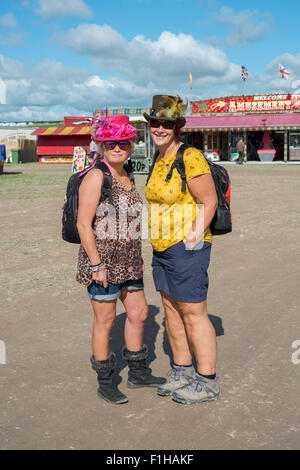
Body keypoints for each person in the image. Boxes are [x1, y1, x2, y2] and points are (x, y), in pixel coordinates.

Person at [76, 112, 166, 404]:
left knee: (138, 314)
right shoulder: (96, 176)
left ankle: (138, 373)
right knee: (105, 321)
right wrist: (96, 264)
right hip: (101, 261)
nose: (118, 148)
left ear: (131, 145)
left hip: (129, 260)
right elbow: (82, 224)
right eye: (111, 142)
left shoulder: (127, 174)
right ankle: (106, 380)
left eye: (124, 143)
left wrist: (137, 256)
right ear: (102, 145)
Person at [144, 95, 220, 405]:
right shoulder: (159, 158)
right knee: (171, 311)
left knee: (193, 313)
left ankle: (208, 381)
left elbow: (210, 201)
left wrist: (192, 238)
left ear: (177, 127)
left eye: (166, 123)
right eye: (155, 123)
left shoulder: (190, 157)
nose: (159, 128)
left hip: (187, 247)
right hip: (162, 248)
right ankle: (183, 371)